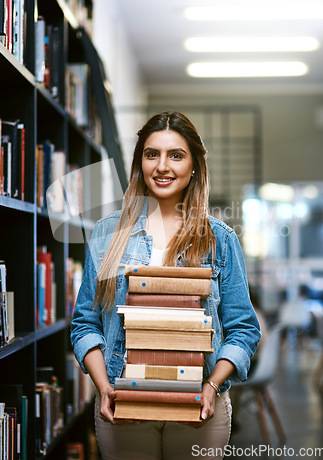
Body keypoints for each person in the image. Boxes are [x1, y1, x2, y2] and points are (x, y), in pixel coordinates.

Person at [70, 111, 261, 460]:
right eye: (151, 154)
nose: (162, 166)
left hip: (200, 407)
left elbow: (243, 329)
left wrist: (211, 386)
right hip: (123, 403)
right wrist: (104, 387)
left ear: (194, 167)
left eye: (176, 155)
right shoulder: (108, 233)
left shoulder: (220, 239)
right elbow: (85, 324)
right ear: (139, 163)